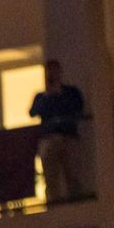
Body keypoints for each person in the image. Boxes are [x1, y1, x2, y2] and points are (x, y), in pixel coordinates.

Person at [29, 59, 86, 201]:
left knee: (73, 176)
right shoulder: (41, 96)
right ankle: (54, 208)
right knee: (50, 179)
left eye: (54, 71)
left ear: (60, 72)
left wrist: (60, 94)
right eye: (49, 71)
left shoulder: (71, 92)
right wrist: (48, 95)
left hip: (68, 138)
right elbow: (33, 112)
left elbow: (78, 107)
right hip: (49, 140)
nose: (52, 74)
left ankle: (77, 206)